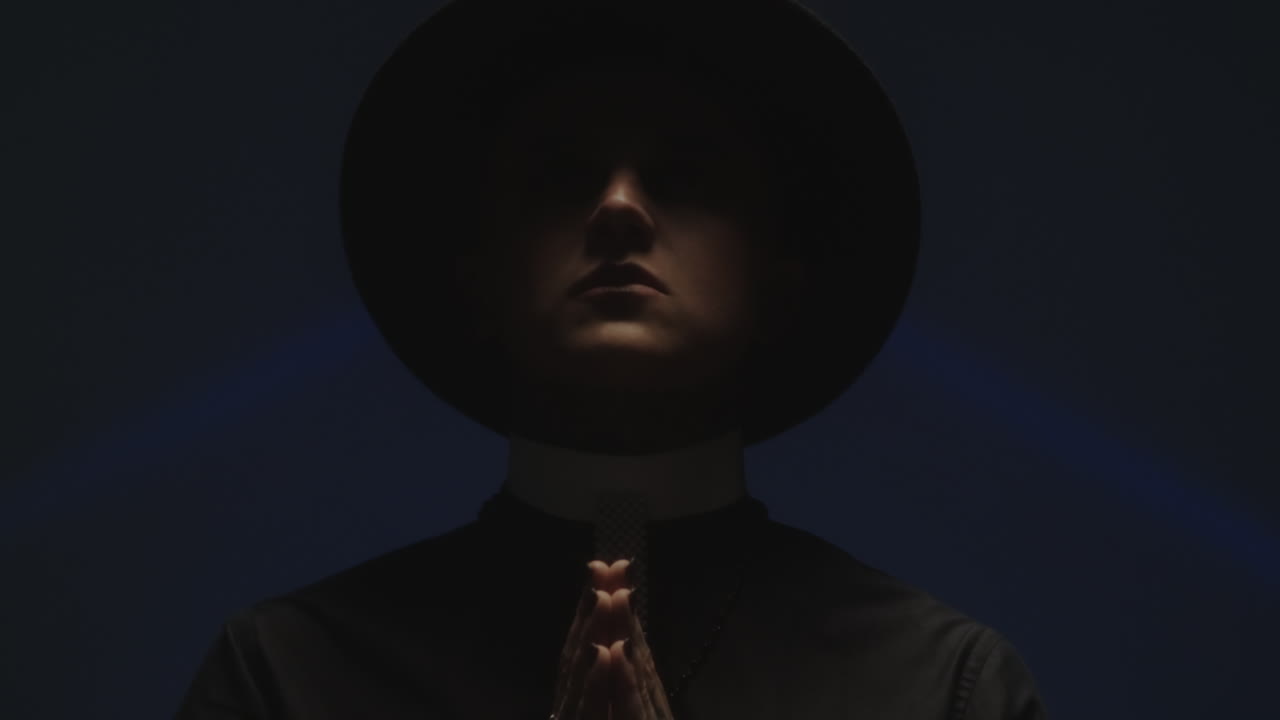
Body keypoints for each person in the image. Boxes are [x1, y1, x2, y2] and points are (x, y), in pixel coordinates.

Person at [175, 1, 1049, 718]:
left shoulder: (942, 690)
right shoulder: (286, 679)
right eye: (561, 175)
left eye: (684, 176)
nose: (620, 210)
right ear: (473, 279)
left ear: (783, 285)